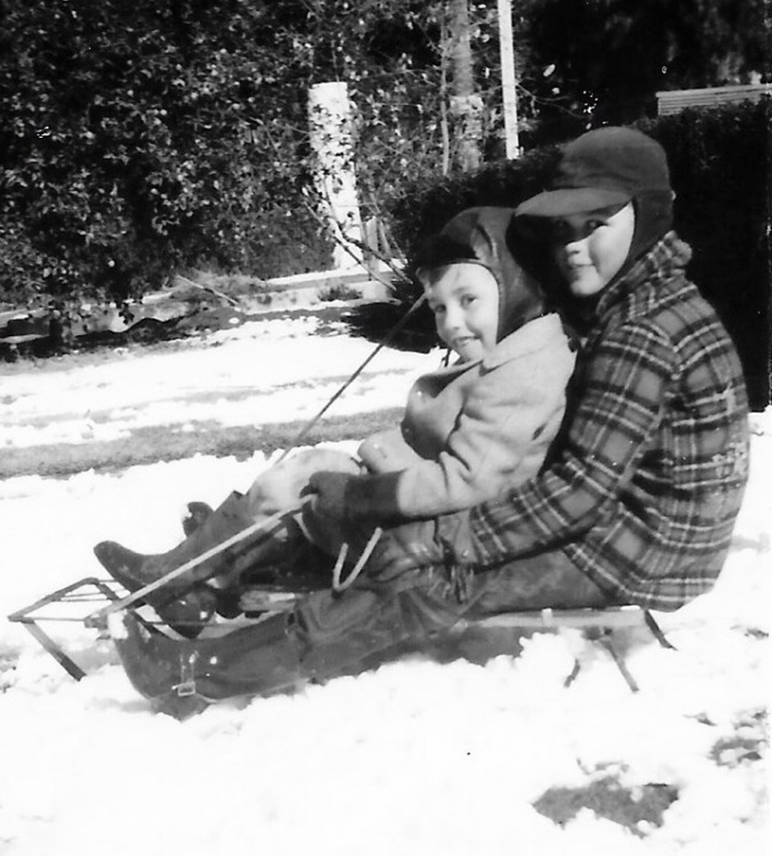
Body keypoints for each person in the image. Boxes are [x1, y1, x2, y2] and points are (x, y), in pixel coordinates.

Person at [109, 127, 750, 718]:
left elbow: (577, 493)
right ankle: (225, 579)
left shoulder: (642, 333)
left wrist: (442, 541)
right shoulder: (644, 306)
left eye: (597, 223)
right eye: (564, 228)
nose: (574, 246)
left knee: (427, 579)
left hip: (637, 552)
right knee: (417, 549)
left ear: (650, 215)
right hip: (647, 538)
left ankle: (197, 675)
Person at [95, 206, 574, 624]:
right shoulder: (514, 353)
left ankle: (196, 577)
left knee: (299, 481)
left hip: (435, 532)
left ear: (515, 287)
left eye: (468, 301)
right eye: (438, 307)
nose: (451, 323)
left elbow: (468, 481)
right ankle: (224, 554)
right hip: (416, 509)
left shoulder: (525, 372)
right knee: (304, 478)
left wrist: (361, 494)